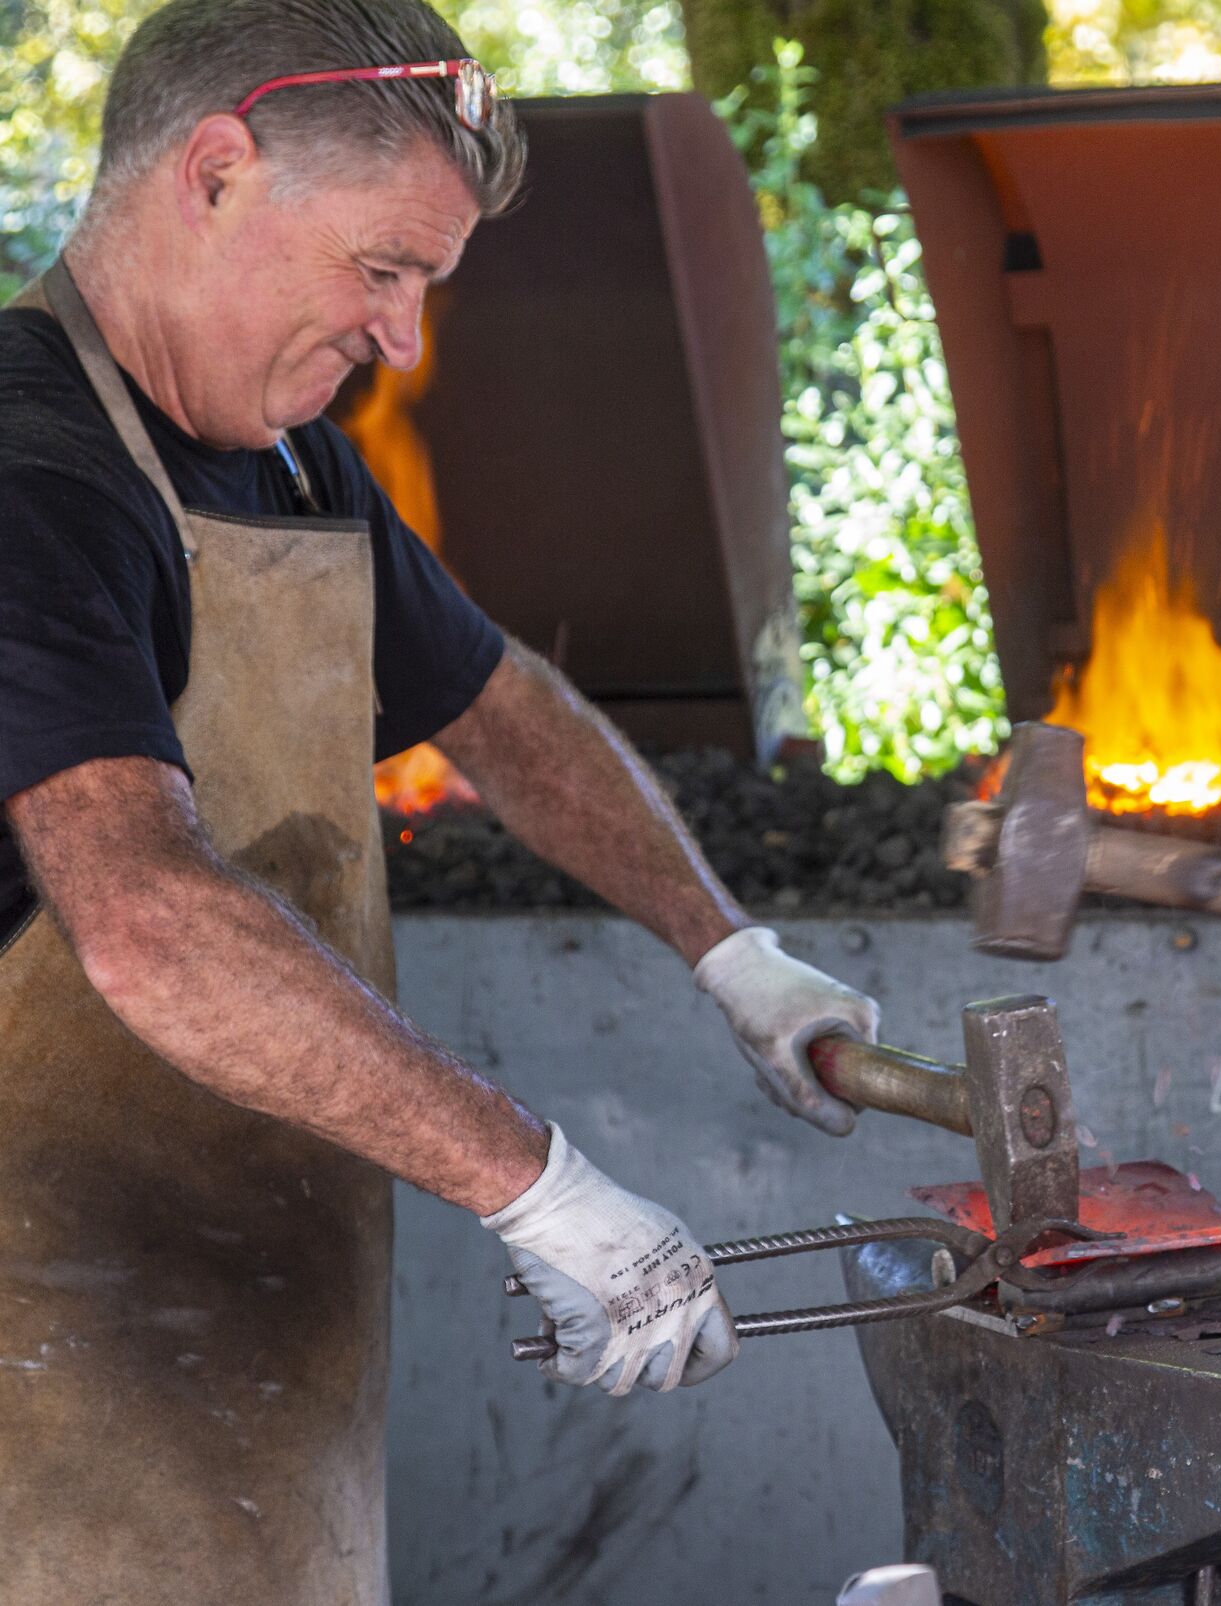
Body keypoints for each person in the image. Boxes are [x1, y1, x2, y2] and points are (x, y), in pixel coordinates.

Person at [0, 0, 879, 1596]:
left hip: (241, 1370)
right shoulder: (29, 471)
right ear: (215, 173)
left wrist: (732, 952)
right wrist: (540, 1183)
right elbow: (145, 921)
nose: (404, 342)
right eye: (381, 271)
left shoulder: (281, 461)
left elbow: (501, 709)